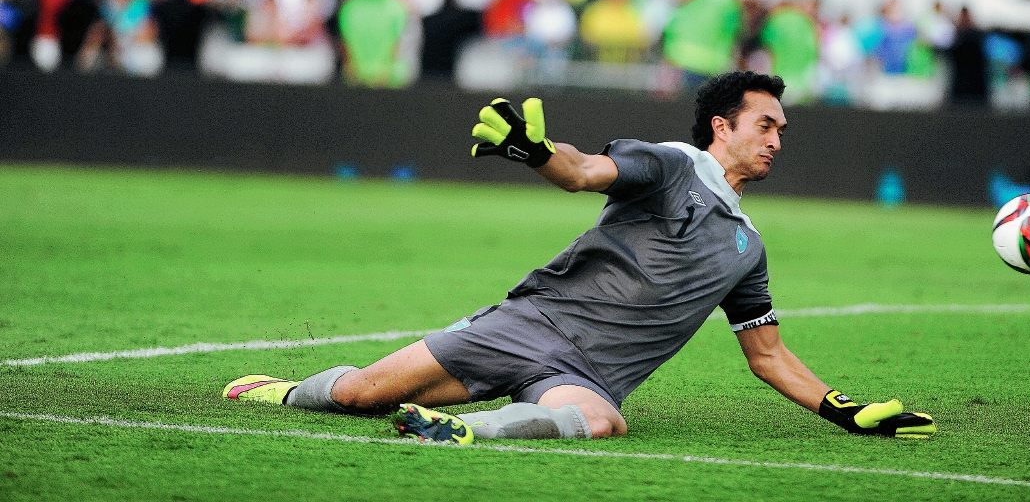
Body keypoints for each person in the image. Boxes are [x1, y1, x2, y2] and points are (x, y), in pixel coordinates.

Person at [222, 71, 936, 443]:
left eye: (783, 128)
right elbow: (584, 171)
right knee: (359, 396)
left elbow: (768, 356)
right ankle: (288, 391)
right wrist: (536, 152)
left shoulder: (748, 248)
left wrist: (845, 410)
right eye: (766, 124)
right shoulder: (672, 164)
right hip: (527, 327)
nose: (778, 139)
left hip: (588, 378)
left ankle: (463, 431)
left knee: (601, 422)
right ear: (723, 127)